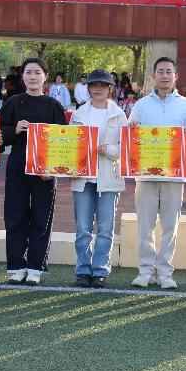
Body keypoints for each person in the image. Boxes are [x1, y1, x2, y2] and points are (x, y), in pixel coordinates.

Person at [128, 57, 186, 289]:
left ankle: (165, 273)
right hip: (145, 174)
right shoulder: (141, 105)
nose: (165, 75)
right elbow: (130, 136)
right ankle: (145, 271)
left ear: (175, 76)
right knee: (145, 224)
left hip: (174, 174)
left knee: (170, 225)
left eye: (169, 71)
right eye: (160, 71)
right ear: (153, 76)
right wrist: (131, 129)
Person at [0, 57, 68, 286]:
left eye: (37, 72)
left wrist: (53, 169)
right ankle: (17, 267)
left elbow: (63, 140)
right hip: (18, 165)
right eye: (28, 72)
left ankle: (35, 268)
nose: (32, 77)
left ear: (45, 77)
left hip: (44, 170)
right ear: (22, 76)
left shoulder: (53, 106)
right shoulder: (13, 102)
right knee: (15, 216)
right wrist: (14, 130)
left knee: (42, 218)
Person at [69, 69, 129, 288]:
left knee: (105, 229)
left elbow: (126, 147)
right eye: (94, 85)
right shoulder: (78, 114)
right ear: (88, 88)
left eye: (103, 85)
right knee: (83, 228)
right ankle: (83, 270)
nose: (98, 89)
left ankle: (100, 270)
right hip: (83, 178)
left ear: (110, 89)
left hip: (109, 178)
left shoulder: (119, 114)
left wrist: (109, 150)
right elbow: (70, 146)